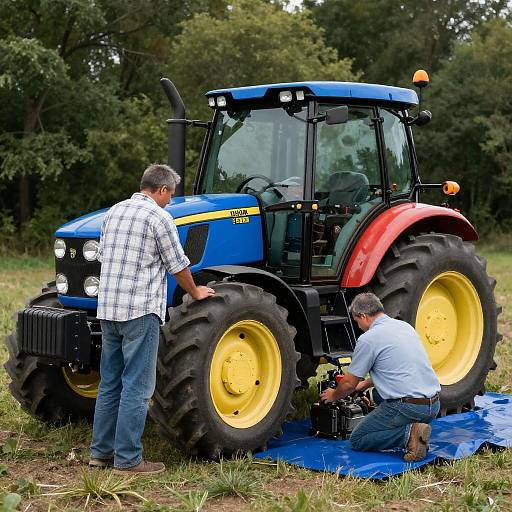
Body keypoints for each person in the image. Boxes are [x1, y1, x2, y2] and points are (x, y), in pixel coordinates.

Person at [89, 163, 215, 475]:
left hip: (108, 310)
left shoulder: (114, 212)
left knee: (110, 382)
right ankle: (129, 460)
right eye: (169, 194)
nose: (170, 201)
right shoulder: (159, 217)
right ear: (160, 190)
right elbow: (177, 264)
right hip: (139, 311)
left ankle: (100, 453)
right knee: (137, 386)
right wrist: (195, 291)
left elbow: (105, 256)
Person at [320, 292, 441, 462]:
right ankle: (413, 427)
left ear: (363, 316)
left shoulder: (368, 339)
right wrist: (365, 384)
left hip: (409, 408)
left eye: (357, 321)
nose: (358, 326)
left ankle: (410, 434)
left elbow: (347, 384)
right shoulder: (405, 327)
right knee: (377, 395)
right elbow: (401, 368)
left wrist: (333, 395)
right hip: (433, 405)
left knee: (358, 439)